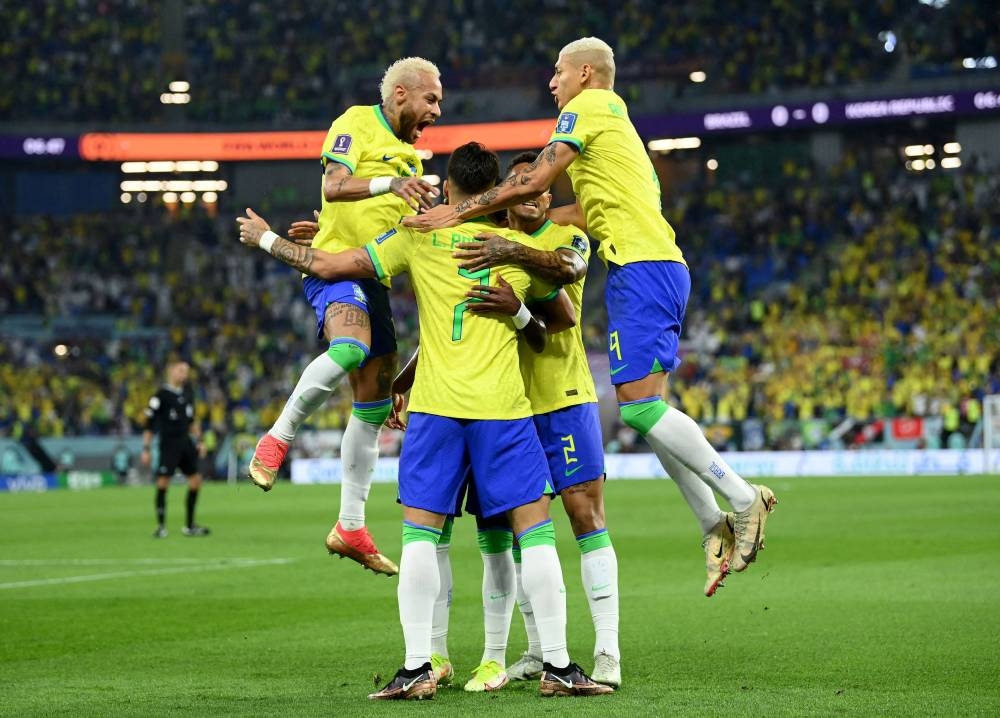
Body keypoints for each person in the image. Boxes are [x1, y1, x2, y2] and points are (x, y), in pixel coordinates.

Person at [237, 142, 612, 700]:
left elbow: (329, 265)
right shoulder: (509, 247)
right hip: (503, 409)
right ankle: (558, 665)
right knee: (533, 533)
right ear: (495, 192)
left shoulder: (417, 235)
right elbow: (558, 317)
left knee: (420, 534)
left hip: (436, 410)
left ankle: (417, 668)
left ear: (451, 190)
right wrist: (519, 303)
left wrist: (267, 238)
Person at [402, 37, 777, 594]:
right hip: (654, 265)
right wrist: (515, 216)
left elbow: (533, 181)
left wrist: (455, 213)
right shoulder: (623, 139)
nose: (552, 84)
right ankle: (710, 523)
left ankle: (745, 497)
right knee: (650, 411)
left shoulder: (590, 107)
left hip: (642, 268)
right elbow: (568, 208)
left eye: (557, 73)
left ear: (584, 73)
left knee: (640, 408)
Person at [248, 57, 443, 576]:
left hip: (372, 278)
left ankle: (350, 526)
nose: (436, 112)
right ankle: (278, 439)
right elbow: (335, 186)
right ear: (401, 94)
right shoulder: (354, 122)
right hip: (333, 272)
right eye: (431, 100)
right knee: (349, 348)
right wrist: (387, 188)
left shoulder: (413, 163)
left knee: (374, 409)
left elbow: (387, 231)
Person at [142, 360, 209, 538]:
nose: (184, 375)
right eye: (181, 371)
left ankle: (189, 526)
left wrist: (200, 440)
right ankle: (161, 526)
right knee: (163, 482)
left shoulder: (187, 394)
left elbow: (192, 421)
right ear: (171, 371)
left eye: (186, 371)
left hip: (185, 443)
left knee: (195, 482)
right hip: (168, 445)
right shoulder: (161, 396)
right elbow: (149, 424)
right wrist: (146, 448)